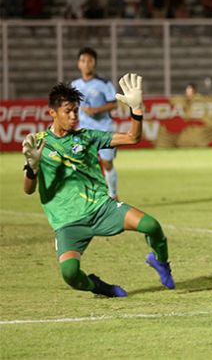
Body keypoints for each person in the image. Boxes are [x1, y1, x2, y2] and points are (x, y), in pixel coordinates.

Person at [21, 74, 175, 298]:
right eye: (68, 112)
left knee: (152, 226)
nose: (74, 116)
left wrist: (137, 110)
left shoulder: (87, 137)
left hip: (101, 208)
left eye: (76, 110)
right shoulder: (38, 143)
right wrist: (31, 168)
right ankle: (101, 288)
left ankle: (161, 263)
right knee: (70, 274)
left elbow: (133, 138)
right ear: (52, 113)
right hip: (68, 222)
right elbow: (27, 189)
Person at [71, 47, 119, 199]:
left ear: (95, 63)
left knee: (107, 164)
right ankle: (86, 196)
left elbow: (114, 103)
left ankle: (113, 195)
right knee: (80, 163)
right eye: (83, 61)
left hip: (104, 128)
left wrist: (96, 109)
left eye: (90, 61)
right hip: (84, 130)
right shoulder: (74, 84)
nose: (86, 64)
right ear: (78, 64)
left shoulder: (104, 84)